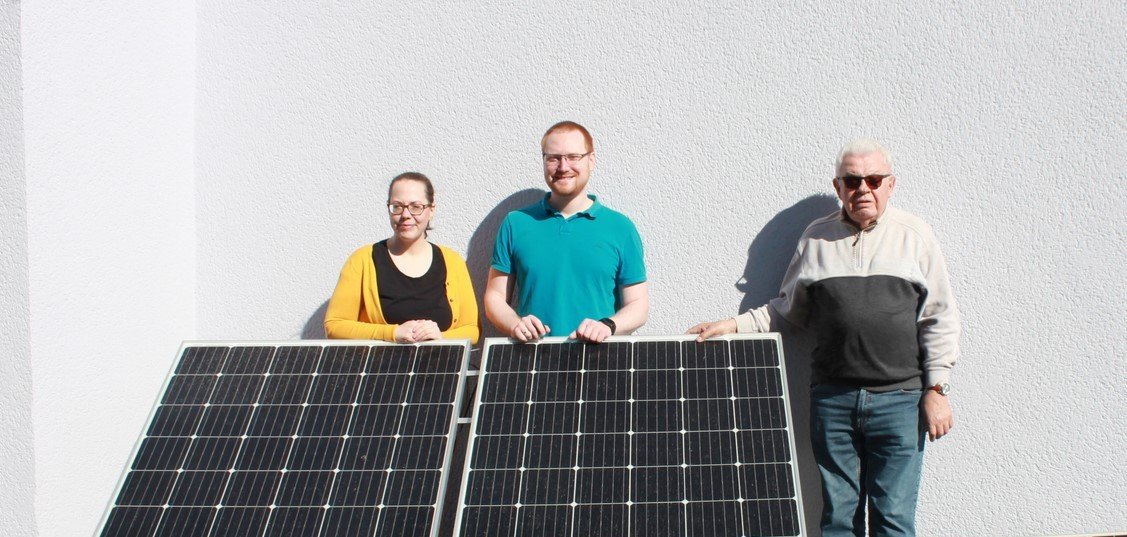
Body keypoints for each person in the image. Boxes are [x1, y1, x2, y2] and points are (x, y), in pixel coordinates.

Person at [687, 139, 960, 537]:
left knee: (894, 521)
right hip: (834, 401)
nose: (862, 189)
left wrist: (937, 388)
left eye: (873, 179)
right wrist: (732, 324)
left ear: (890, 184)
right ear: (838, 187)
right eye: (852, 181)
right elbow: (786, 310)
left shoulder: (915, 236)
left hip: (899, 402)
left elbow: (940, 316)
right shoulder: (815, 239)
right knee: (837, 521)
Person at [483, 121, 649, 344]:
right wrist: (515, 324)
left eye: (573, 157)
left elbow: (638, 305)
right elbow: (494, 297)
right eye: (553, 158)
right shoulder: (516, 223)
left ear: (591, 160)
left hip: (599, 364)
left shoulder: (620, 227)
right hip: (533, 362)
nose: (563, 167)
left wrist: (607, 326)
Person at [324, 172, 479, 344]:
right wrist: (393, 332)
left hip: (441, 369)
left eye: (416, 206)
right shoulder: (363, 260)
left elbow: (472, 329)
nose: (405, 214)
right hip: (380, 370)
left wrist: (441, 337)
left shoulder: (452, 262)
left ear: (431, 210)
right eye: (397, 206)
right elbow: (335, 326)